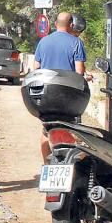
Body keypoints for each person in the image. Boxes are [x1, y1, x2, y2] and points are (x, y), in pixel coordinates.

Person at [32, 12, 91, 163]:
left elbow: (36, 68)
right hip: (67, 95)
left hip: (46, 96)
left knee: (47, 131)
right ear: (71, 24)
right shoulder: (75, 42)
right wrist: (86, 79)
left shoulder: (43, 42)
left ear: (55, 23)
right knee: (71, 130)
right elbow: (79, 72)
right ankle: (68, 165)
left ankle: (47, 165)